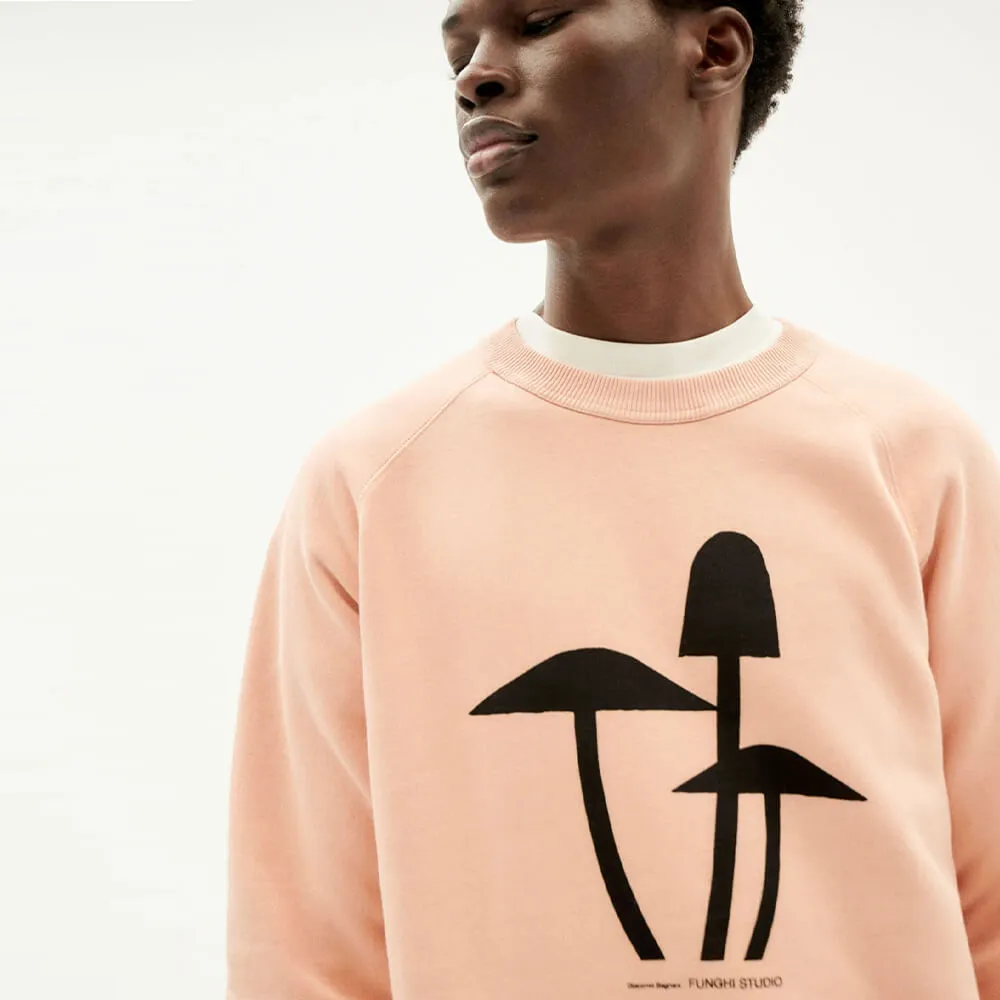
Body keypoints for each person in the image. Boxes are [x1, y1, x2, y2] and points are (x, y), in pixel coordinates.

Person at [224, 2, 999, 998]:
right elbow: (306, 946)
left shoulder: (911, 456)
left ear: (714, 48)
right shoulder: (376, 481)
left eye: (539, 20)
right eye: (459, 50)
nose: (475, 76)